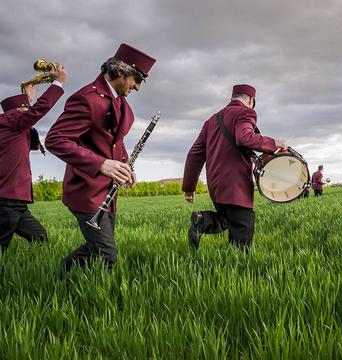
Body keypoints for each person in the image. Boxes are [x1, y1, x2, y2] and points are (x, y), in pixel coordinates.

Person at [45, 44, 156, 272]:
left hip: (107, 193)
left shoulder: (121, 103)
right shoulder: (86, 99)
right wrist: (102, 164)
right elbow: (55, 140)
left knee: (98, 247)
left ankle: (61, 274)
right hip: (86, 190)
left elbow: (116, 141)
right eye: (136, 80)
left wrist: (125, 166)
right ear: (120, 73)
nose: (137, 88)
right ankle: (72, 287)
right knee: (107, 254)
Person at [182, 84, 286, 250]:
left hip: (215, 184)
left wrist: (189, 187)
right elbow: (244, 137)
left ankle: (203, 220)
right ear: (251, 100)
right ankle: (237, 269)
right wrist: (274, 143)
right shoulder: (246, 112)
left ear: (233, 97)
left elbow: (194, 154)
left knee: (226, 219)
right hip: (235, 183)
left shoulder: (211, 121)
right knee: (243, 226)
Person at [0, 65, 66, 253]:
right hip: (7, 201)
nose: (27, 111)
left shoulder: (12, 126)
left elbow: (29, 120)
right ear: (15, 113)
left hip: (16, 203)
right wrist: (57, 83)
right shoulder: (12, 123)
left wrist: (28, 99)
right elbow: (37, 112)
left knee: (39, 237)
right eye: (24, 109)